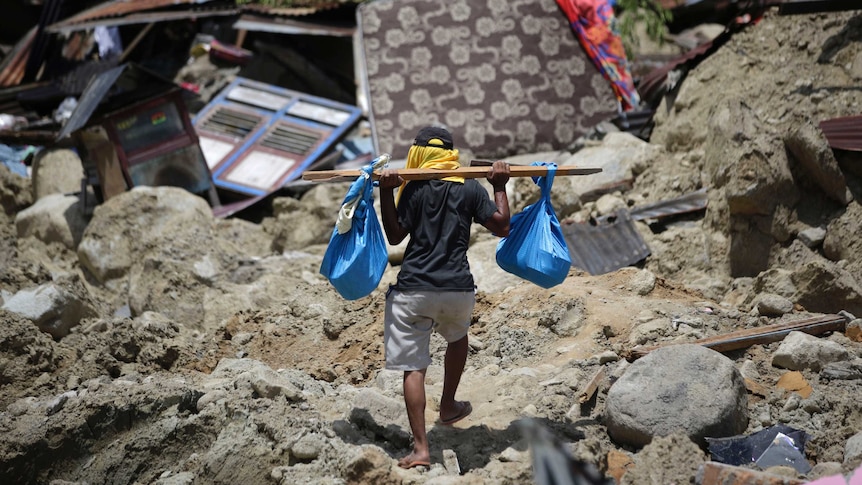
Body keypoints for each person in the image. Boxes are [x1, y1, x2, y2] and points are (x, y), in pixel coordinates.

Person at [377, 126, 511, 469]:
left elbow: (394, 236)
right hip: (457, 288)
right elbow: (501, 226)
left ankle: (421, 449)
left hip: (413, 290)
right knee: (458, 337)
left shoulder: (416, 187)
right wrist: (498, 186)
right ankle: (449, 404)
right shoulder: (469, 186)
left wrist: (386, 193)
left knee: (414, 367)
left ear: (419, 154)